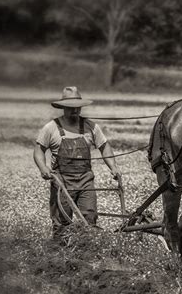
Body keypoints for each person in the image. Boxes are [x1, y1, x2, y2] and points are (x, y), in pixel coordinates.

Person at [33, 86, 120, 241]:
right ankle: (58, 258)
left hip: (86, 181)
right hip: (61, 182)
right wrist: (43, 168)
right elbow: (39, 150)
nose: (75, 111)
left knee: (89, 217)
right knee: (61, 223)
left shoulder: (91, 127)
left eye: (77, 108)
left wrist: (113, 167)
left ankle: (86, 255)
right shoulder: (51, 128)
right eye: (70, 108)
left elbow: (104, 147)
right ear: (63, 108)